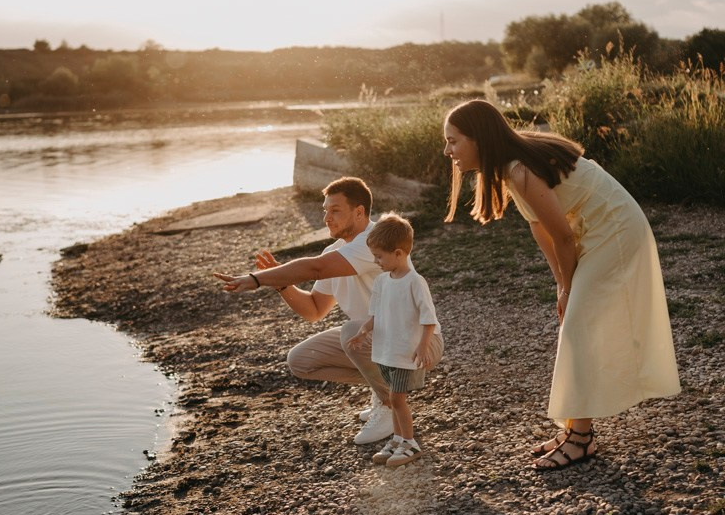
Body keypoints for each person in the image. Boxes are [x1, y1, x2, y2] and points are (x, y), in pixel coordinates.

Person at [443, 99, 680, 471]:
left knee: (579, 327)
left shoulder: (519, 169)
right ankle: (574, 428)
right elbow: (541, 228)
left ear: (479, 139)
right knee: (576, 325)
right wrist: (560, 285)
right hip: (595, 229)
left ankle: (581, 438)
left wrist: (571, 289)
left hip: (616, 230)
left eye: (453, 141)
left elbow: (564, 238)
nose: (448, 151)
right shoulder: (510, 169)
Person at [215, 177, 445, 444]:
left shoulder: (374, 242)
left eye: (335, 210)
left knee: (351, 330)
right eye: (325, 210)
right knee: (300, 360)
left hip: (419, 345)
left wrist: (256, 279)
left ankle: (388, 404)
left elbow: (316, 267)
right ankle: (384, 387)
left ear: (359, 212)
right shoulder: (334, 251)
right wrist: (281, 283)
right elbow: (314, 310)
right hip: (377, 340)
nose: (326, 217)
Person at [347, 213, 441, 468]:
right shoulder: (381, 282)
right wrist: (363, 332)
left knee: (398, 399)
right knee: (391, 397)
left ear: (399, 253)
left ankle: (409, 442)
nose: (376, 261)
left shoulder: (414, 282)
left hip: (404, 353)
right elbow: (375, 314)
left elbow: (429, 318)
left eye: (380, 256)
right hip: (385, 352)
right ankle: (399, 439)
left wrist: (422, 346)